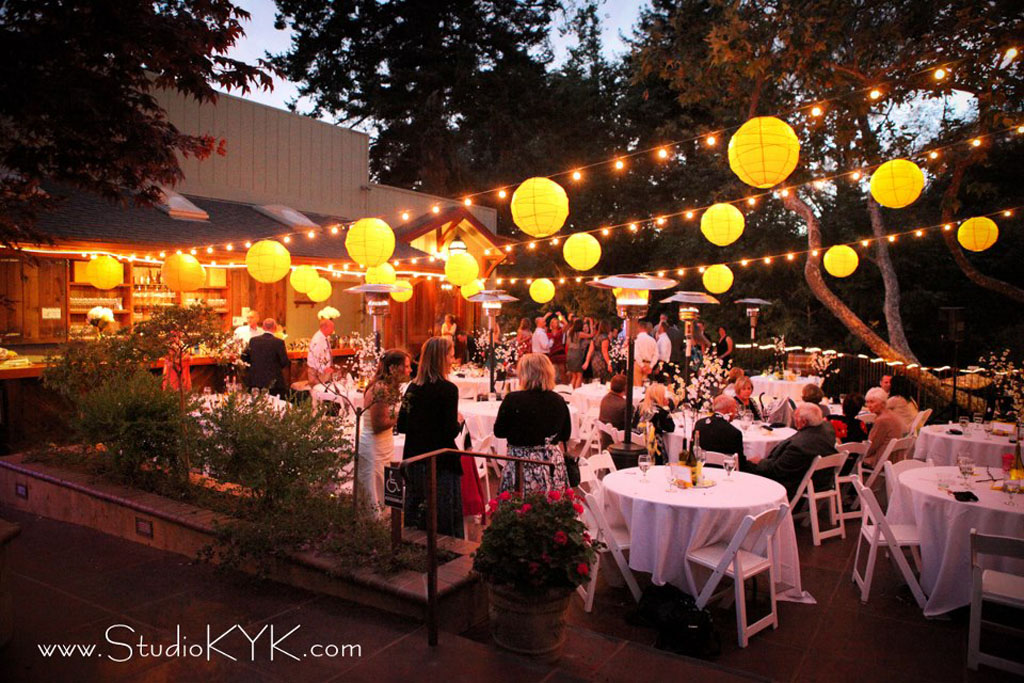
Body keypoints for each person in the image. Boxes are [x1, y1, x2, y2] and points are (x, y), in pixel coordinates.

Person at [397, 336, 465, 538]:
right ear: (441, 358)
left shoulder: (412, 387)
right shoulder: (448, 389)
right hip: (439, 460)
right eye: (450, 356)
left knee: (418, 513)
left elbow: (402, 425)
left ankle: (413, 546)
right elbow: (449, 431)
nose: (452, 361)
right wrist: (459, 422)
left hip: (415, 457)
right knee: (442, 515)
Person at [494, 353, 572, 493]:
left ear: (524, 374)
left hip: (521, 465)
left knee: (519, 503)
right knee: (551, 503)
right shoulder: (558, 400)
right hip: (551, 464)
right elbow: (565, 435)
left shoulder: (513, 399)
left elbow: (499, 432)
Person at [358, 349, 411, 512]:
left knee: (387, 486)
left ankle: (387, 521)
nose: (410, 370)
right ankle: (376, 523)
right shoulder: (380, 388)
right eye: (406, 366)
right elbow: (378, 424)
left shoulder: (389, 387)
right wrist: (402, 416)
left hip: (385, 445)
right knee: (375, 489)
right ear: (393, 368)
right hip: (374, 447)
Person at [748, 403, 838, 499]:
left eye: (795, 417)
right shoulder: (828, 429)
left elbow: (777, 470)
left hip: (792, 485)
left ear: (803, 422)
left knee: (746, 467)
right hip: (822, 480)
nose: (794, 420)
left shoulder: (799, 446)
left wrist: (760, 462)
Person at [693, 394, 746, 471]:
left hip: (702, 470)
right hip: (725, 472)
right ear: (730, 410)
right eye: (735, 408)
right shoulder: (734, 433)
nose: (736, 412)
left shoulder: (699, 424)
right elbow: (741, 464)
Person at [242, 319, 289, 396]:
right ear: (275, 328)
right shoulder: (279, 342)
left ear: (263, 327)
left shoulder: (253, 341)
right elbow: (284, 361)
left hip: (255, 379)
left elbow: (245, 357)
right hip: (273, 381)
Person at [863, 387, 907, 469]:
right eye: (867, 402)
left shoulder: (882, 420)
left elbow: (871, 446)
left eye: (872, 402)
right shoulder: (891, 414)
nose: (869, 405)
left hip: (882, 461)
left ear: (882, 403)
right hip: (895, 459)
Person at [633, 382, 675, 465]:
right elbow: (671, 428)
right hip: (654, 450)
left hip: (637, 446)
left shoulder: (640, 407)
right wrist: (666, 409)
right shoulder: (660, 412)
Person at [597, 374, 629, 450]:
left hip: (605, 442)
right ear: (625, 388)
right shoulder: (625, 406)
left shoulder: (605, 399)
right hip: (619, 447)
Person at [306, 317, 335, 385]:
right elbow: (317, 357)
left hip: (322, 371)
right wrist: (324, 369)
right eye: (332, 328)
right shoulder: (318, 339)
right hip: (317, 372)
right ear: (325, 328)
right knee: (319, 389)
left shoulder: (324, 338)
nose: (333, 330)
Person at [633, 321, 658, 386]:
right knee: (645, 386)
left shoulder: (636, 339)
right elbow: (656, 355)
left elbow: (636, 354)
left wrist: (642, 365)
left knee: (637, 386)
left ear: (639, 328)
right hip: (648, 364)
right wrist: (651, 366)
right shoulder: (652, 340)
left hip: (638, 364)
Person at [565, 319, 587, 389]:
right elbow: (591, 335)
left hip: (570, 353)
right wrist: (591, 324)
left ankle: (571, 391)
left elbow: (567, 344)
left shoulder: (570, 333)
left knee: (574, 376)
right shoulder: (579, 334)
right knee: (579, 375)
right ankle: (576, 392)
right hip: (577, 353)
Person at [548, 318, 566, 383]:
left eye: (556, 322)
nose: (555, 324)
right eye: (553, 322)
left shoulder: (560, 331)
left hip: (560, 351)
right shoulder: (548, 333)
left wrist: (561, 317)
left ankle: (564, 384)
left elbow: (566, 324)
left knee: (562, 370)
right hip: (552, 352)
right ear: (551, 324)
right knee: (553, 370)